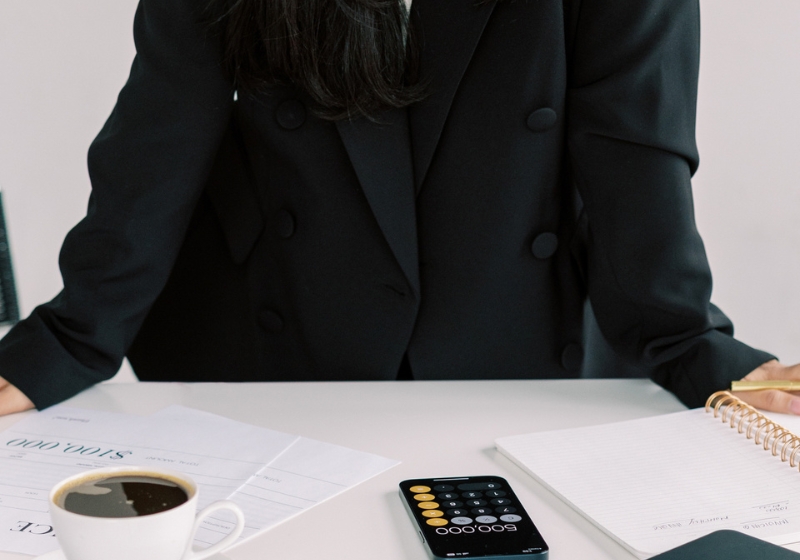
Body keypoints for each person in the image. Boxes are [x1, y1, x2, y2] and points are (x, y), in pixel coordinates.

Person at [0, 0, 798, 416]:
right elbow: (157, 139)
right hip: (278, 348)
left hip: (518, 346)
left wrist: (691, 347)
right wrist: (65, 344)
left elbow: (637, 153)